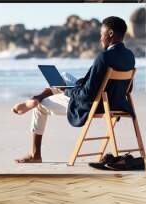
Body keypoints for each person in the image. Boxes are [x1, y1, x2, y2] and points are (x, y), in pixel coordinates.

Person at [12, 16, 135, 163]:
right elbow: (128, 86)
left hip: (94, 104)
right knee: (64, 76)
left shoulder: (104, 57)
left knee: (41, 107)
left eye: (101, 34)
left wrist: (66, 90)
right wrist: (83, 82)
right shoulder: (130, 56)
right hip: (116, 101)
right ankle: (38, 96)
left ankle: (35, 153)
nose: (100, 39)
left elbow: (87, 95)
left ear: (110, 33)